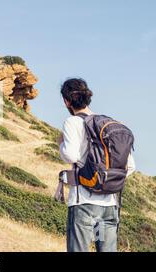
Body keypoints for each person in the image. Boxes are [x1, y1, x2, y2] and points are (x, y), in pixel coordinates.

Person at [58, 78, 135, 252]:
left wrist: (60, 144)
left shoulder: (73, 122)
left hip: (83, 205)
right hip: (108, 207)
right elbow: (130, 167)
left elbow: (70, 155)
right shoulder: (108, 125)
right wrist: (105, 181)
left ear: (66, 101)